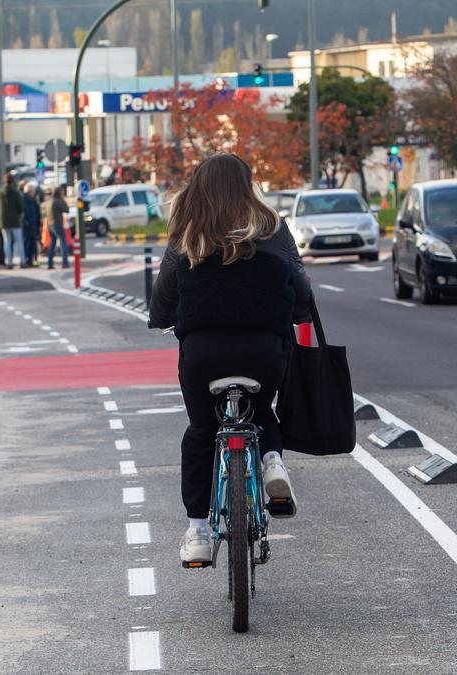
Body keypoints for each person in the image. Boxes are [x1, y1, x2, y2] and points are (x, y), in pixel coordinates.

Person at [148, 154, 312, 566]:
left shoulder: (188, 233)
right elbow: (300, 287)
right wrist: (296, 313)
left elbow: (165, 294)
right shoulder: (271, 227)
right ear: (247, 185)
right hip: (263, 351)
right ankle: (272, 460)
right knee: (263, 414)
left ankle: (198, 533)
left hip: (204, 353)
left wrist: (164, 318)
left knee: (202, 431)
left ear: (197, 188)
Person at [0, 173, 23, 269]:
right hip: (15, 220)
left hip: (3, 221)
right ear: (12, 181)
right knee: (19, 241)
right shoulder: (15, 192)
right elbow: (20, 207)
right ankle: (22, 261)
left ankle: (9, 262)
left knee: (7, 241)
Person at [47, 186, 71, 270]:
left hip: (49, 224)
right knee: (63, 244)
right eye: (62, 193)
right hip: (57, 224)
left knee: (52, 244)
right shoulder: (57, 202)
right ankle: (65, 263)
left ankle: (50, 263)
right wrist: (63, 200)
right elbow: (67, 210)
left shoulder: (49, 201)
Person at [21, 183, 41, 268]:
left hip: (32, 225)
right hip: (28, 226)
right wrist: (28, 223)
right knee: (28, 244)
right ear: (30, 191)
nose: (34, 193)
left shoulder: (32, 200)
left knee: (32, 244)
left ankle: (32, 260)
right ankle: (28, 260)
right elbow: (26, 213)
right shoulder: (26, 200)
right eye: (33, 192)